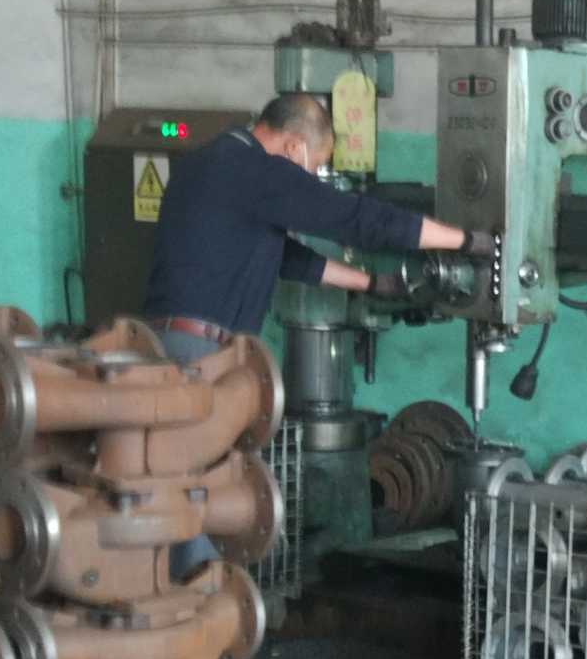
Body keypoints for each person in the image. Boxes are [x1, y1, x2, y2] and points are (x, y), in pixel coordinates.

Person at [142, 92, 489, 575]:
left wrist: (370, 283)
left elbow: (285, 257)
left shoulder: (206, 164)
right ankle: (196, 603)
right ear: (293, 147)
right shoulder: (257, 170)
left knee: (173, 485)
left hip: (161, 347)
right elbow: (355, 219)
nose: (308, 179)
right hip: (201, 356)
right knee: (198, 495)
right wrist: (466, 241)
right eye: (313, 167)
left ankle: (175, 592)